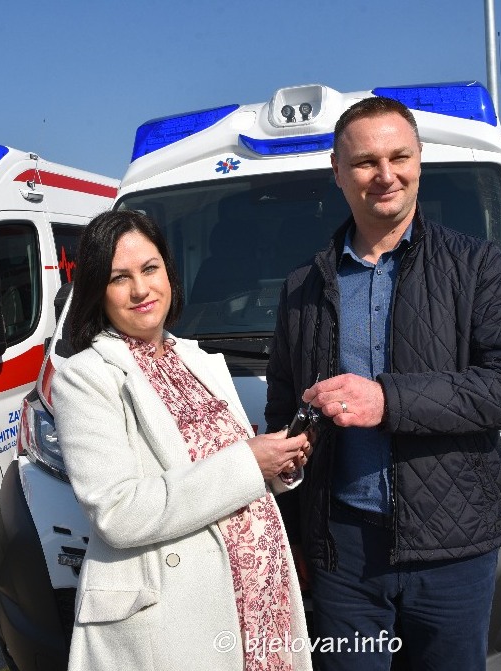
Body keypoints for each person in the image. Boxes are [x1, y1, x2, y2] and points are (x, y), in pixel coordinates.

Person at [265, 96, 501, 670]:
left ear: (420, 159)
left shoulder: (476, 265)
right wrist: (292, 529)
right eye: (365, 162)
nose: (385, 175)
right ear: (338, 172)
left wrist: (388, 400)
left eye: (398, 157)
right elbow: (282, 414)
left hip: (453, 547)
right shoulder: (301, 288)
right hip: (343, 553)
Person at [52, 210, 313, 671]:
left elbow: (227, 469)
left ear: (169, 273)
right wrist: (250, 463)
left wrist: (278, 464)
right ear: (96, 290)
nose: (140, 289)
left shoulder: (195, 358)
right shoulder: (84, 377)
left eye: (150, 269)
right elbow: (117, 512)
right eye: (119, 278)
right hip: (179, 611)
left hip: (257, 595)